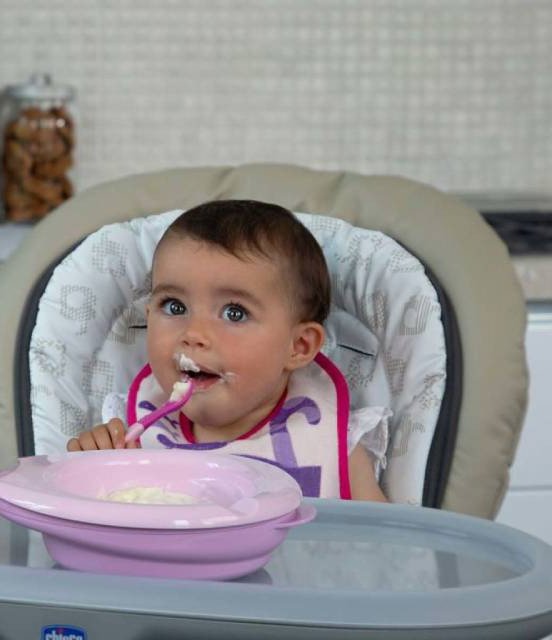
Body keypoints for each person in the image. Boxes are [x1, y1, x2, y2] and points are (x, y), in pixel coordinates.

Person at [67, 199, 389, 502]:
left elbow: (387, 539)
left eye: (235, 313)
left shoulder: (331, 442)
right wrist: (93, 473)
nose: (193, 334)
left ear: (298, 346)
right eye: (175, 306)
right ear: (148, 316)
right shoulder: (129, 438)